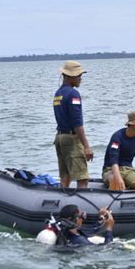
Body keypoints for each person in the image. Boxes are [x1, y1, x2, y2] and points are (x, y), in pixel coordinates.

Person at [53, 60, 93, 189]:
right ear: (70, 76)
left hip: (60, 138)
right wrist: (86, 146)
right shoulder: (73, 94)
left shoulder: (58, 94)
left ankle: (63, 204)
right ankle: (82, 207)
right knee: (82, 178)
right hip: (71, 139)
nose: (80, 79)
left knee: (65, 177)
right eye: (78, 75)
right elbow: (77, 123)